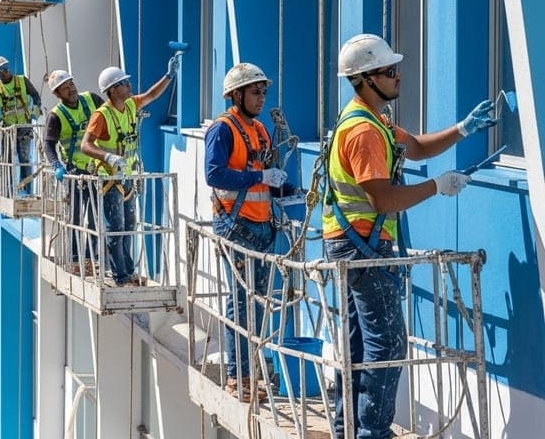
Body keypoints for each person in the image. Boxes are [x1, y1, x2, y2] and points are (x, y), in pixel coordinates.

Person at [326, 33, 496, 439]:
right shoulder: (364, 131)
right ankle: (370, 432)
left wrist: (463, 128)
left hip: (353, 244)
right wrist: (437, 187)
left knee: (357, 344)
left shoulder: (373, 120)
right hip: (362, 246)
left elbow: (415, 147)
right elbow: (383, 199)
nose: (398, 77)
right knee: (386, 345)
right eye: (389, 72)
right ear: (366, 79)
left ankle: (345, 428)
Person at [204, 62, 288, 402]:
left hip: (261, 226)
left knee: (257, 303)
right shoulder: (223, 129)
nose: (261, 98)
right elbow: (214, 174)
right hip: (234, 225)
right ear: (236, 95)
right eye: (255, 92)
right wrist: (260, 179)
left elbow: (264, 172)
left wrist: (288, 188)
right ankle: (238, 376)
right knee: (240, 304)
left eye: (263, 92)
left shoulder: (261, 130)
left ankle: (251, 370)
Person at [80, 56, 180, 286]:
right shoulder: (102, 115)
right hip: (109, 178)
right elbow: (86, 144)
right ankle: (121, 276)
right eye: (124, 83)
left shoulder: (130, 105)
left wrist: (169, 76)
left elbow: (152, 95)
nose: (129, 85)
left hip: (128, 176)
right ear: (113, 90)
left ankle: (129, 272)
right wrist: (107, 156)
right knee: (115, 228)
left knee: (128, 226)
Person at [43, 69, 103, 274]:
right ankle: (77, 260)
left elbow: (111, 115)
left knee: (96, 216)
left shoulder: (92, 100)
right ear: (57, 93)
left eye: (71, 83)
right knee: (76, 217)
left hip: (97, 170)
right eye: (65, 87)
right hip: (74, 173)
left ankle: (92, 257)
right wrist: (56, 165)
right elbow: (48, 144)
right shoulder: (56, 116)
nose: (71, 89)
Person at [0, 55, 43, 195]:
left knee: (25, 158)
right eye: (1, 71)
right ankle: (9, 190)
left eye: (6, 68)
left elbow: (36, 96)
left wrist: (36, 110)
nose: (5, 72)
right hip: (8, 128)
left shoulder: (22, 80)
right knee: (8, 159)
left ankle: (27, 189)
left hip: (24, 126)